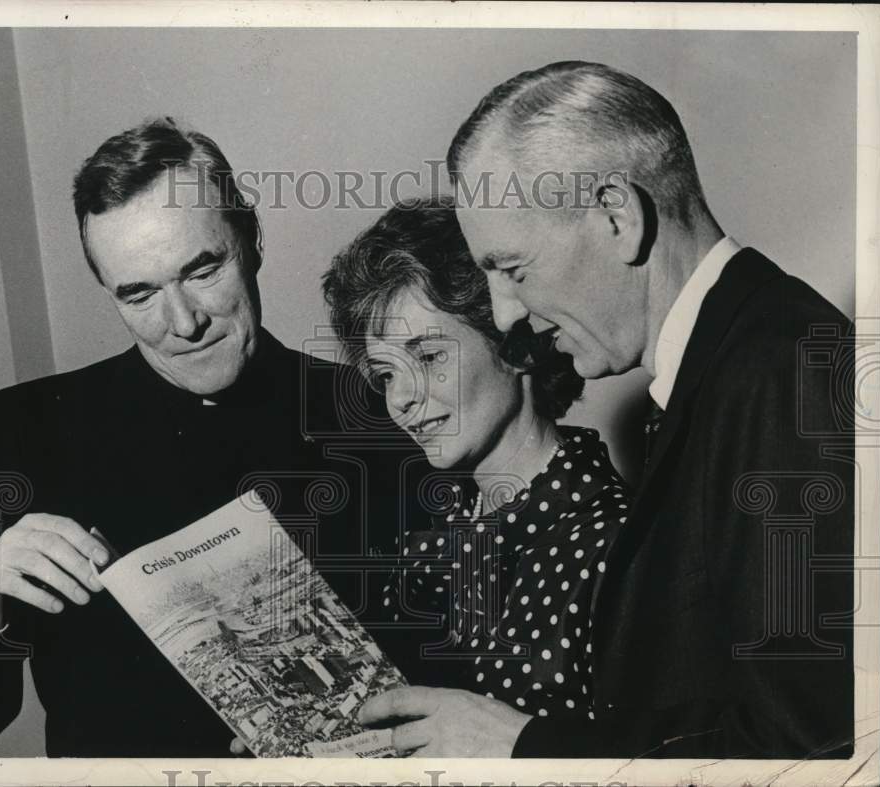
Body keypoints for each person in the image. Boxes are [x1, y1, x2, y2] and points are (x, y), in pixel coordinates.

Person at [360, 61, 854, 758]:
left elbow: (817, 749)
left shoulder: (786, 374)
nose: (505, 314)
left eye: (514, 269)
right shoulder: (734, 368)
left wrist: (524, 747)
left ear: (619, 217)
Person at [0, 118, 427, 756]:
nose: (183, 323)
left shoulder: (376, 413)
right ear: (108, 292)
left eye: (203, 270)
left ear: (252, 240)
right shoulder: (26, 427)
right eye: (139, 294)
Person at [323, 196, 631, 756]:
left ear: (514, 346)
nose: (402, 398)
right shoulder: (429, 541)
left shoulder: (619, 541)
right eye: (386, 373)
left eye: (429, 357)